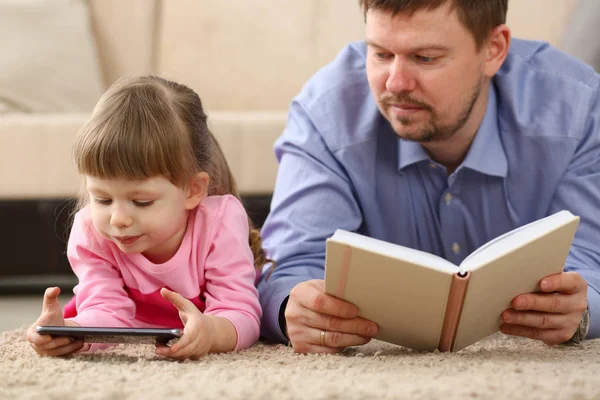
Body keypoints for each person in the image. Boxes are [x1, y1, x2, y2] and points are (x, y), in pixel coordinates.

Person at [257, 0, 599, 354]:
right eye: (380, 54)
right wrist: (292, 309)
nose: (396, 82)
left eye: (425, 58)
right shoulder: (325, 114)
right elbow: (288, 266)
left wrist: (580, 307)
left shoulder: (579, 109)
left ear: (493, 50)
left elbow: (592, 257)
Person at [27, 76, 267, 360]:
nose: (118, 219)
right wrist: (69, 332)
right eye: (102, 199)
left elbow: (241, 314)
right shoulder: (92, 230)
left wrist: (211, 332)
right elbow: (105, 310)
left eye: (141, 202)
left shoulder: (219, 222)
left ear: (193, 191)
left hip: (205, 322)